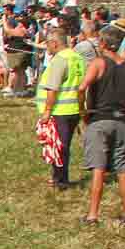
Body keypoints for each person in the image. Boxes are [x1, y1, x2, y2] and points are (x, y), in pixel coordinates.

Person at [75, 27, 125, 225]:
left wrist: (82, 111)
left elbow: (82, 87)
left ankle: (93, 214)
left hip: (100, 119)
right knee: (123, 168)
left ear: (102, 43)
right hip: (122, 121)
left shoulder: (99, 63)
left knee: (98, 168)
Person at [37, 25, 85, 188]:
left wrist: (47, 111)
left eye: (48, 44)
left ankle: (60, 179)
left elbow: (53, 88)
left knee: (59, 146)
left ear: (55, 43)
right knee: (65, 145)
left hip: (60, 110)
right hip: (74, 108)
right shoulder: (77, 58)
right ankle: (60, 176)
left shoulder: (60, 60)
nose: (46, 47)